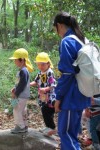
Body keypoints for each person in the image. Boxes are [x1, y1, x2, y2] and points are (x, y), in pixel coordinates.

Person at [53, 12, 91, 150]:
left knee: (65, 133)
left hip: (70, 96)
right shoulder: (82, 40)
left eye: (55, 28)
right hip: (83, 92)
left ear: (59, 25)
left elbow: (68, 73)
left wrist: (58, 97)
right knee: (72, 133)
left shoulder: (67, 41)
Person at [30, 52, 57, 137]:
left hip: (49, 97)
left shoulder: (50, 72)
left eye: (42, 64)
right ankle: (47, 126)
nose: (40, 66)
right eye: (38, 64)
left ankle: (52, 127)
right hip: (43, 97)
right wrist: (28, 84)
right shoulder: (40, 72)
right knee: (44, 111)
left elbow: (53, 85)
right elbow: (36, 81)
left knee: (48, 112)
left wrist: (45, 89)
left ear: (48, 64)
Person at [9, 48, 33, 134]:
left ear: (22, 60)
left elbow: (22, 84)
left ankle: (20, 126)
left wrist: (16, 93)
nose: (15, 62)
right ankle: (24, 125)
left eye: (15, 60)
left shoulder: (23, 71)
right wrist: (15, 88)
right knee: (22, 110)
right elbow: (20, 83)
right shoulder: (24, 70)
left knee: (16, 110)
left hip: (20, 95)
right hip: (23, 95)